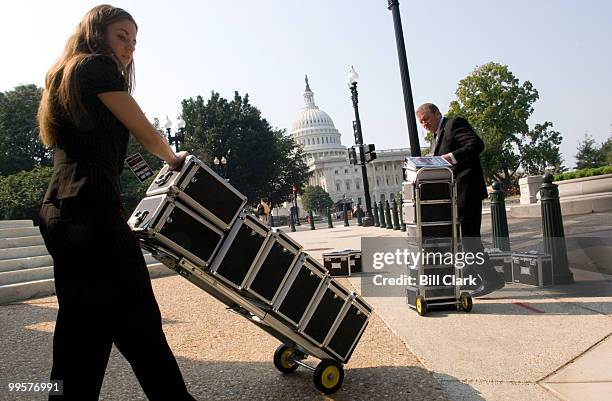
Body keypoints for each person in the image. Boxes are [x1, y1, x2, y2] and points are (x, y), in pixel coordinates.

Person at [37, 5, 195, 400]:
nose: (129, 48)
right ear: (97, 32)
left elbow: (114, 147)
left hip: (62, 210)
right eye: (122, 36)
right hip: (91, 213)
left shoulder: (65, 74)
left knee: (83, 328)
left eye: (134, 41)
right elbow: (143, 130)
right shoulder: (97, 68)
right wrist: (175, 160)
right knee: (139, 322)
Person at [416, 103, 504, 297]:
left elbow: (476, 145)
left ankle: (491, 279)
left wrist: (450, 157)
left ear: (437, 113)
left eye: (426, 119)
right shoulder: (436, 137)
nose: (424, 124)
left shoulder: (454, 124)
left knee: (469, 239)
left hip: (468, 190)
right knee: (464, 239)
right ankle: (472, 276)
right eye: (421, 122)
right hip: (455, 194)